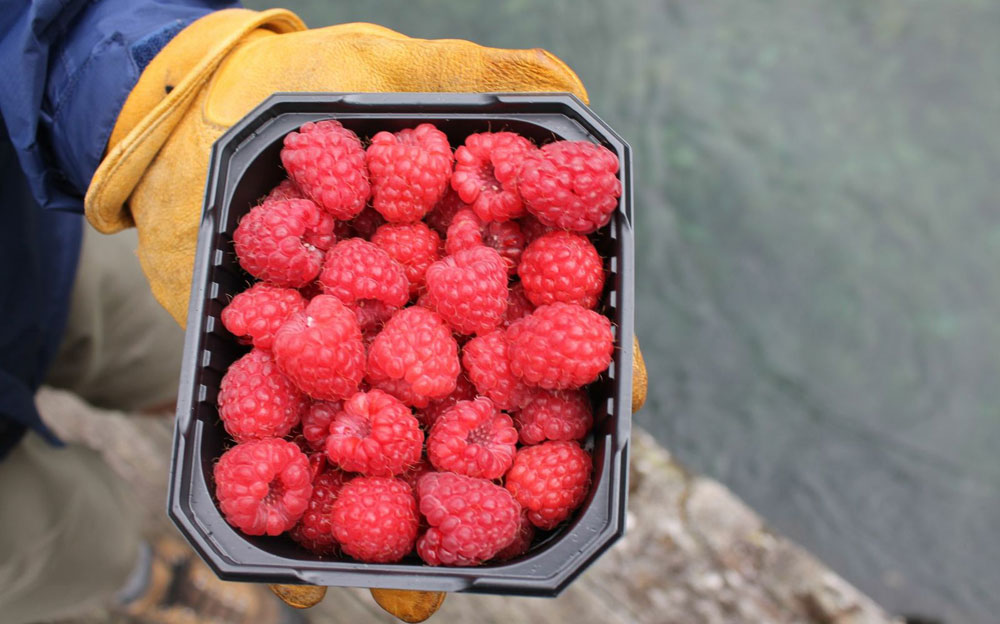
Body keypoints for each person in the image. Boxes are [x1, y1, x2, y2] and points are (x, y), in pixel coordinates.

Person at [0, 2, 590, 622]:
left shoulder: (378, 308)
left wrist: (158, 87)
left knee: (163, 356)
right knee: (57, 545)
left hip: (24, 255)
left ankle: (165, 431)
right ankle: (144, 584)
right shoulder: (382, 327)